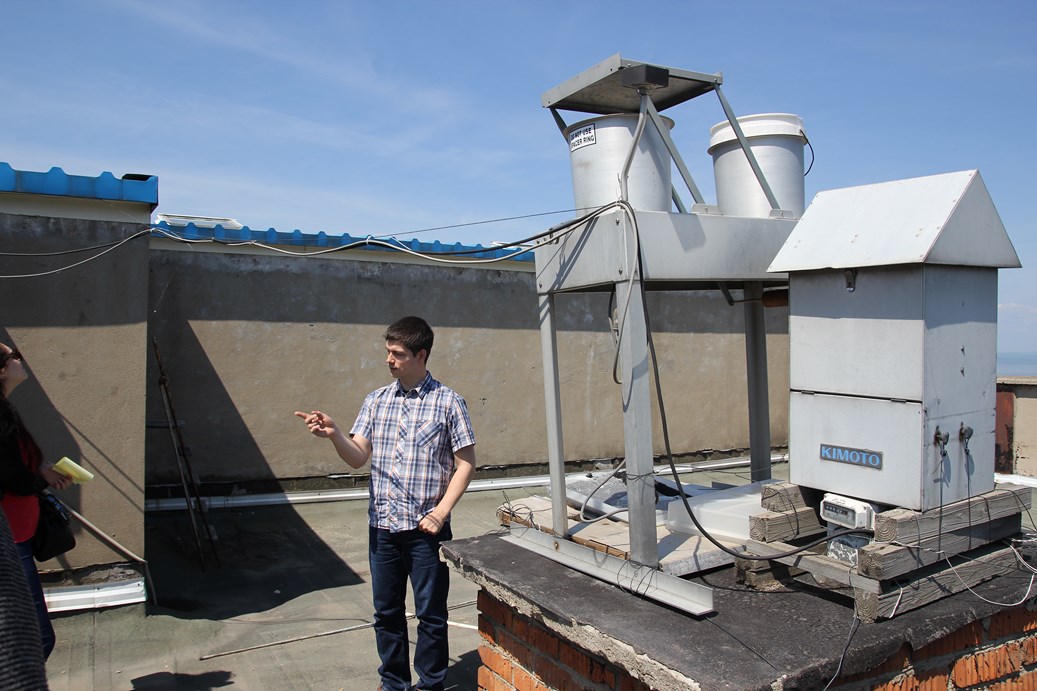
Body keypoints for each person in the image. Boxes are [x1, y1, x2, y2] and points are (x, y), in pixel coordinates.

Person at [296, 316, 476, 691]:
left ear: (420, 355)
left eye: (397, 353)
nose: (389, 360)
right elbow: (358, 456)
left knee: (431, 615)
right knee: (386, 613)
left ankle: (431, 684)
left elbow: (466, 464)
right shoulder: (376, 401)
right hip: (383, 529)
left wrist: (441, 513)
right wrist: (334, 434)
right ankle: (393, 683)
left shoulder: (448, 403)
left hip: (426, 532)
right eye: (387, 352)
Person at [0, 343, 73, 661]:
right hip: (10, 542)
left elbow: (12, 464)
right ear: (1, 370)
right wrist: (42, 478)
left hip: (18, 537)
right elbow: (14, 478)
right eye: (14, 356)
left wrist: (42, 469)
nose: (21, 359)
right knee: (37, 640)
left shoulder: (5, 408)